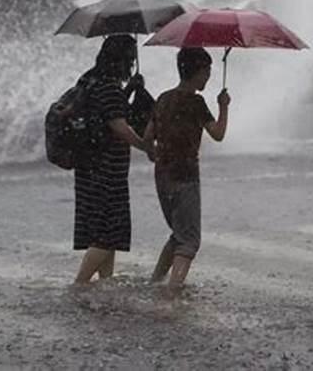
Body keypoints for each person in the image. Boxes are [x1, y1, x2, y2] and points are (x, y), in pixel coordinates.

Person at [143, 47, 231, 299]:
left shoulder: (163, 99)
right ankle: (172, 294)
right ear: (197, 72)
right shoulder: (196, 102)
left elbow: (148, 137)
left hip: (162, 176)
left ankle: (154, 283)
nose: (208, 78)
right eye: (207, 72)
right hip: (186, 176)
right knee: (189, 241)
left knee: (178, 235)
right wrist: (223, 106)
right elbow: (218, 133)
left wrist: (152, 153)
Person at [72, 34, 151, 286]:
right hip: (107, 170)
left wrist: (128, 90)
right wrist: (147, 147)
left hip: (88, 167)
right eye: (130, 58)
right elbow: (118, 126)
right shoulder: (108, 87)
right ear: (123, 59)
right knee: (108, 233)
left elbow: (104, 111)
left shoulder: (90, 79)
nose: (131, 63)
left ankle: (105, 282)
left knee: (106, 230)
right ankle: (80, 284)